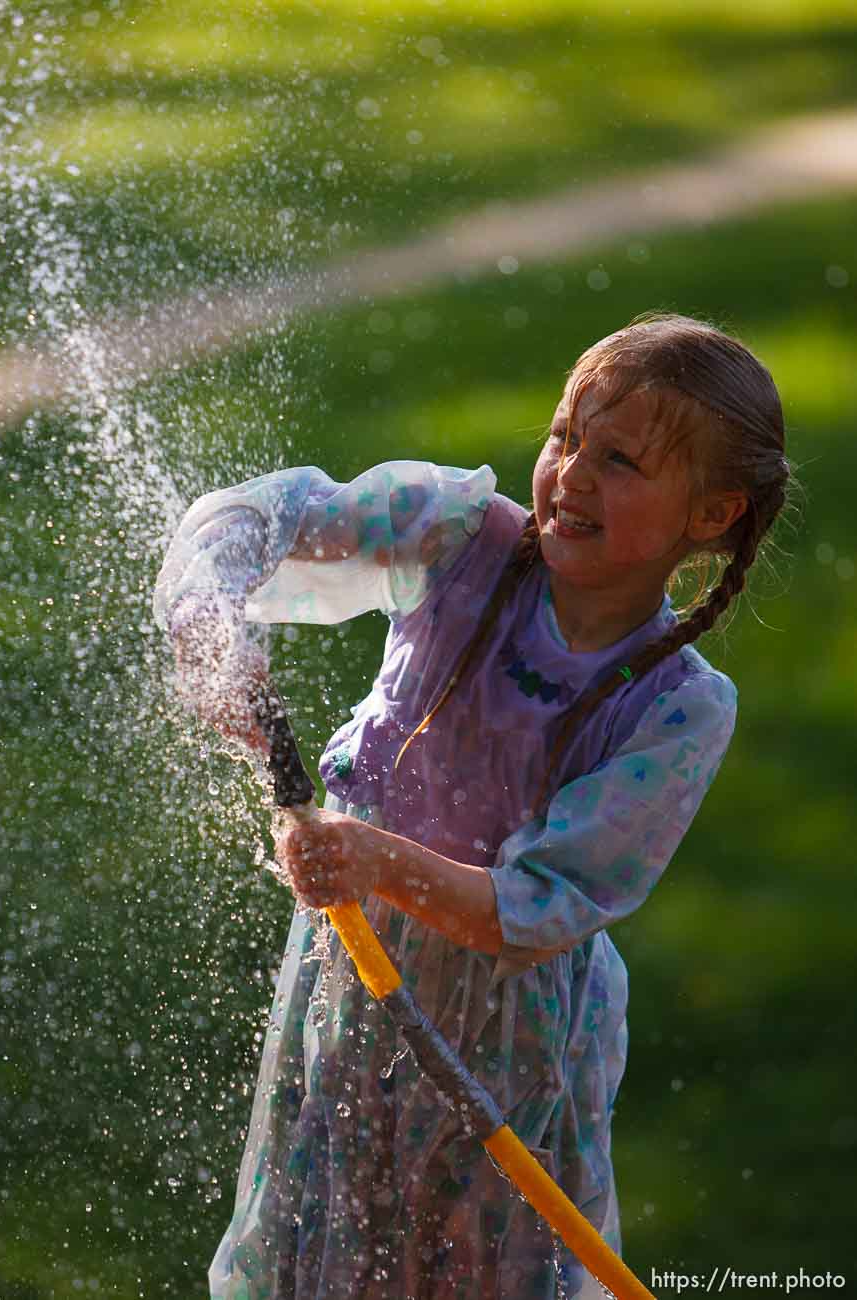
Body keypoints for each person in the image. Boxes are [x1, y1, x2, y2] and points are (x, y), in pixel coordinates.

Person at [154, 313, 790, 1300]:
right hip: (349, 978)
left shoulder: (676, 711)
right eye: (565, 436)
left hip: (505, 1039)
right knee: (323, 1232)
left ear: (711, 515)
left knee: (463, 1261)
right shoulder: (455, 537)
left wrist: (372, 860)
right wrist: (210, 625)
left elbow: (533, 908)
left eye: (618, 461)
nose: (570, 475)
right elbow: (274, 515)